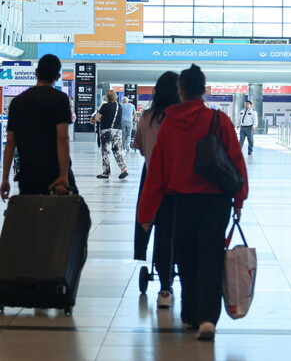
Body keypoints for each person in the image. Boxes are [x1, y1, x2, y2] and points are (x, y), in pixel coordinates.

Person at [138, 64, 248, 341]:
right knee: (211, 257)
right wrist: (239, 197)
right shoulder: (217, 120)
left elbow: (157, 173)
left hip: (180, 202)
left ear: (181, 90)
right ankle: (208, 319)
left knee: (185, 258)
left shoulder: (169, 124)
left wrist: (146, 211)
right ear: (204, 89)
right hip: (216, 202)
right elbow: (235, 159)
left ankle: (189, 316)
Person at [133, 71, 180, 309]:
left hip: (153, 181)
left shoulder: (146, 117)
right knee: (178, 234)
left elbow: (140, 149)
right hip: (181, 185)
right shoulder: (183, 117)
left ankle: (164, 288)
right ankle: (180, 277)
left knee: (159, 233)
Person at [0, 54, 76, 199]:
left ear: (36, 73)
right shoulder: (60, 99)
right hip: (55, 172)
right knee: (64, 217)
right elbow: (62, 137)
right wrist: (64, 174)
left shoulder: (18, 102)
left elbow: (10, 143)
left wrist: (5, 179)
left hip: (28, 173)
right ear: (58, 77)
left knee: (31, 217)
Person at [93, 90, 129, 179]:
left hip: (106, 130)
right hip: (117, 131)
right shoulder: (119, 106)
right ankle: (124, 169)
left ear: (107, 97)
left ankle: (106, 172)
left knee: (105, 151)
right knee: (118, 150)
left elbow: (97, 118)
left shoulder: (105, 106)